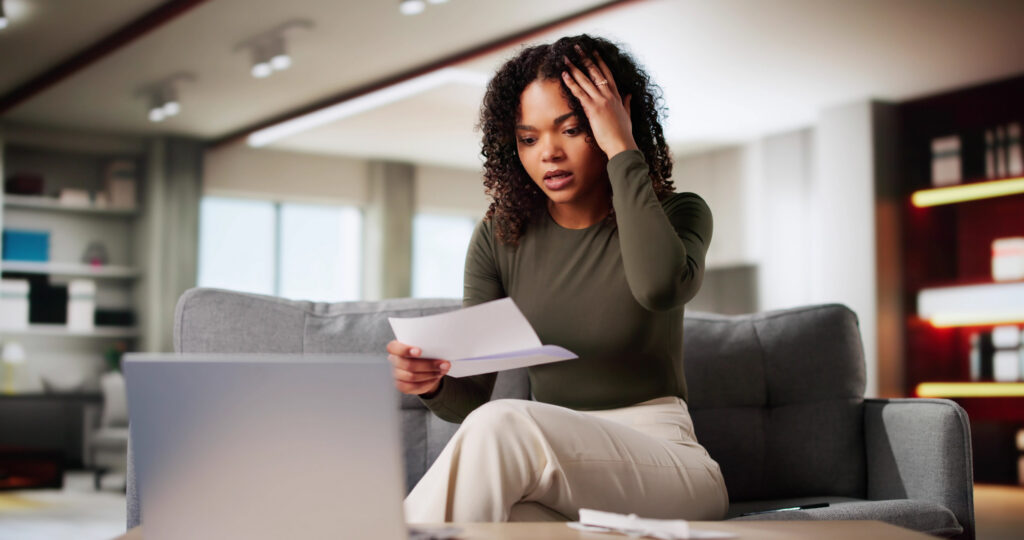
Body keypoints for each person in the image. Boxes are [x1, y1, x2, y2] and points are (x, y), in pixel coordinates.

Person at [387, 34, 728, 523]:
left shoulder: (680, 213)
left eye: (570, 129)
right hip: (554, 471)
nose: (547, 152)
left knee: (502, 424)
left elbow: (659, 287)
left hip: (668, 462)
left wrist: (620, 147)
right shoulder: (499, 237)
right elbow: (471, 402)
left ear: (613, 119)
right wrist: (432, 383)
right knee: (503, 515)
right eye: (529, 138)